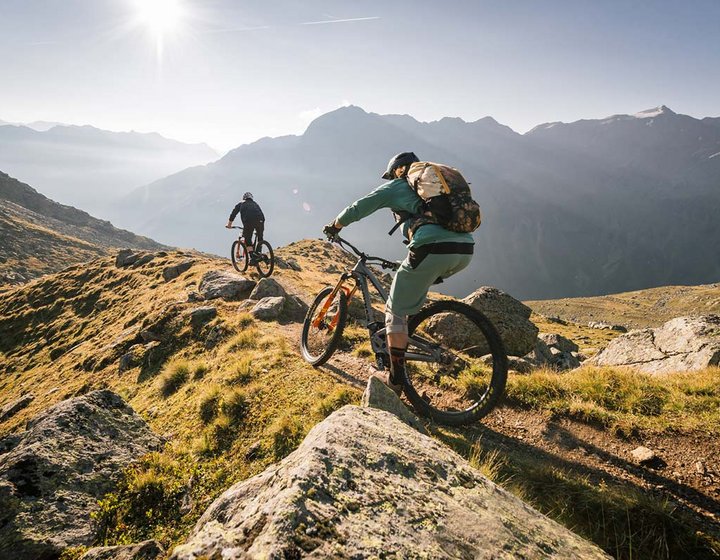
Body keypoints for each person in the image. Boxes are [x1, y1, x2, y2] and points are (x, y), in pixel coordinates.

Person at [323, 152, 475, 393]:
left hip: (431, 247)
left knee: (393, 312)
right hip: (464, 250)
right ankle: (407, 336)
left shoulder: (398, 186)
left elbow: (360, 206)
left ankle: (394, 380)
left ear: (397, 170)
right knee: (411, 283)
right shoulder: (438, 191)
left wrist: (336, 225)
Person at [226, 192, 265, 263]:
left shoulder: (241, 203)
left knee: (247, 239)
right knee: (260, 238)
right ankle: (259, 254)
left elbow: (233, 214)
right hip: (261, 220)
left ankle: (252, 258)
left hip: (249, 221)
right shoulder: (255, 204)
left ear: (244, 198)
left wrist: (229, 225)